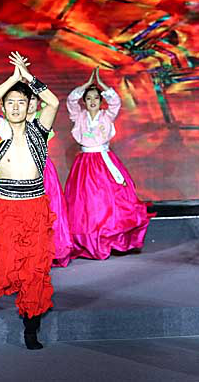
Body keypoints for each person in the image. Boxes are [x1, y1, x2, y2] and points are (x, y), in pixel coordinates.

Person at [0, 51, 59, 350]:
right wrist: (13, 79)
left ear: (28, 106)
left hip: (35, 207)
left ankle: (31, 327)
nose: (14, 107)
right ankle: (21, 303)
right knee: (9, 265)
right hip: (6, 208)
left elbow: (53, 103)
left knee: (34, 269)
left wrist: (28, 78)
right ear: (4, 106)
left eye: (20, 102)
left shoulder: (39, 130)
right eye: (10, 102)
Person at [0, 96, 73, 274]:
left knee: (46, 212)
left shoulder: (41, 121)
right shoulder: (6, 124)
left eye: (31, 100)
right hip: (11, 176)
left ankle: (42, 253)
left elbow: (52, 104)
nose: (29, 104)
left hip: (41, 173)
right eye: (22, 101)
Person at [65, 67, 151, 260]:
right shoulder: (79, 116)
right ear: (84, 101)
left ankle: (110, 239)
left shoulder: (107, 116)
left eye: (96, 98)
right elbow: (70, 101)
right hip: (85, 163)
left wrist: (102, 85)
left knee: (109, 199)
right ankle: (90, 240)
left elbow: (116, 102)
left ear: (101, 100)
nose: (92, 101)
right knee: (87, 202)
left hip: (104, 161)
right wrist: (86, 85)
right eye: (88, 98)